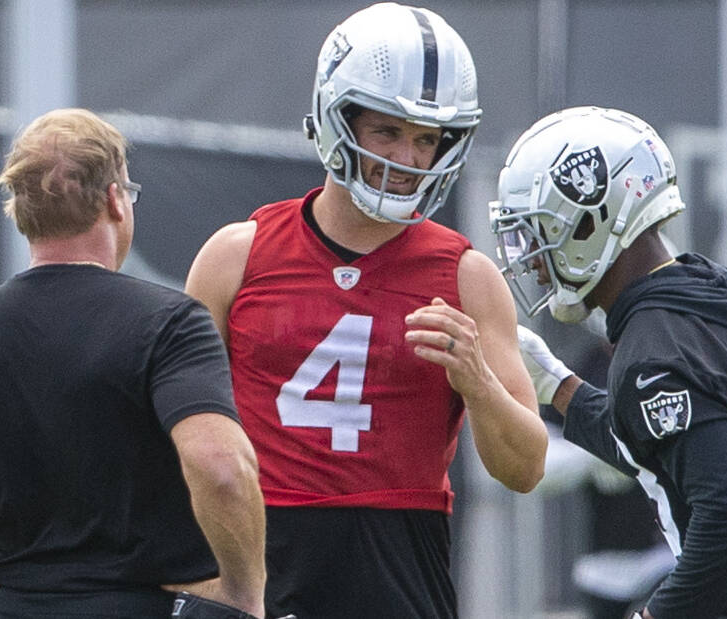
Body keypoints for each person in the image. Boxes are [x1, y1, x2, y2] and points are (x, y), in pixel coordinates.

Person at [185, 4, 547, 618]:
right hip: (254, 556)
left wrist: (478, 382)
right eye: (387, 131)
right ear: (336, 117)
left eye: (426, 139)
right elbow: (171, 435)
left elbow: (525, 468)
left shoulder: (468, 276)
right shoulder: (236, 255)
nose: (408, 159)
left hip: (398, 566)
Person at [0, 108, 267, 619]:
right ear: (114, 200)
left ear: (21, 210)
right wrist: (244, 595)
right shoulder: (170, 324)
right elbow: (220, 467)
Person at [491, 105, 727, 618]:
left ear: (589, 224)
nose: (533, 261)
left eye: (540, 231)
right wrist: (559, 388)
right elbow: (672, 452)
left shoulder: (653, 348)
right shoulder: (724, 296)